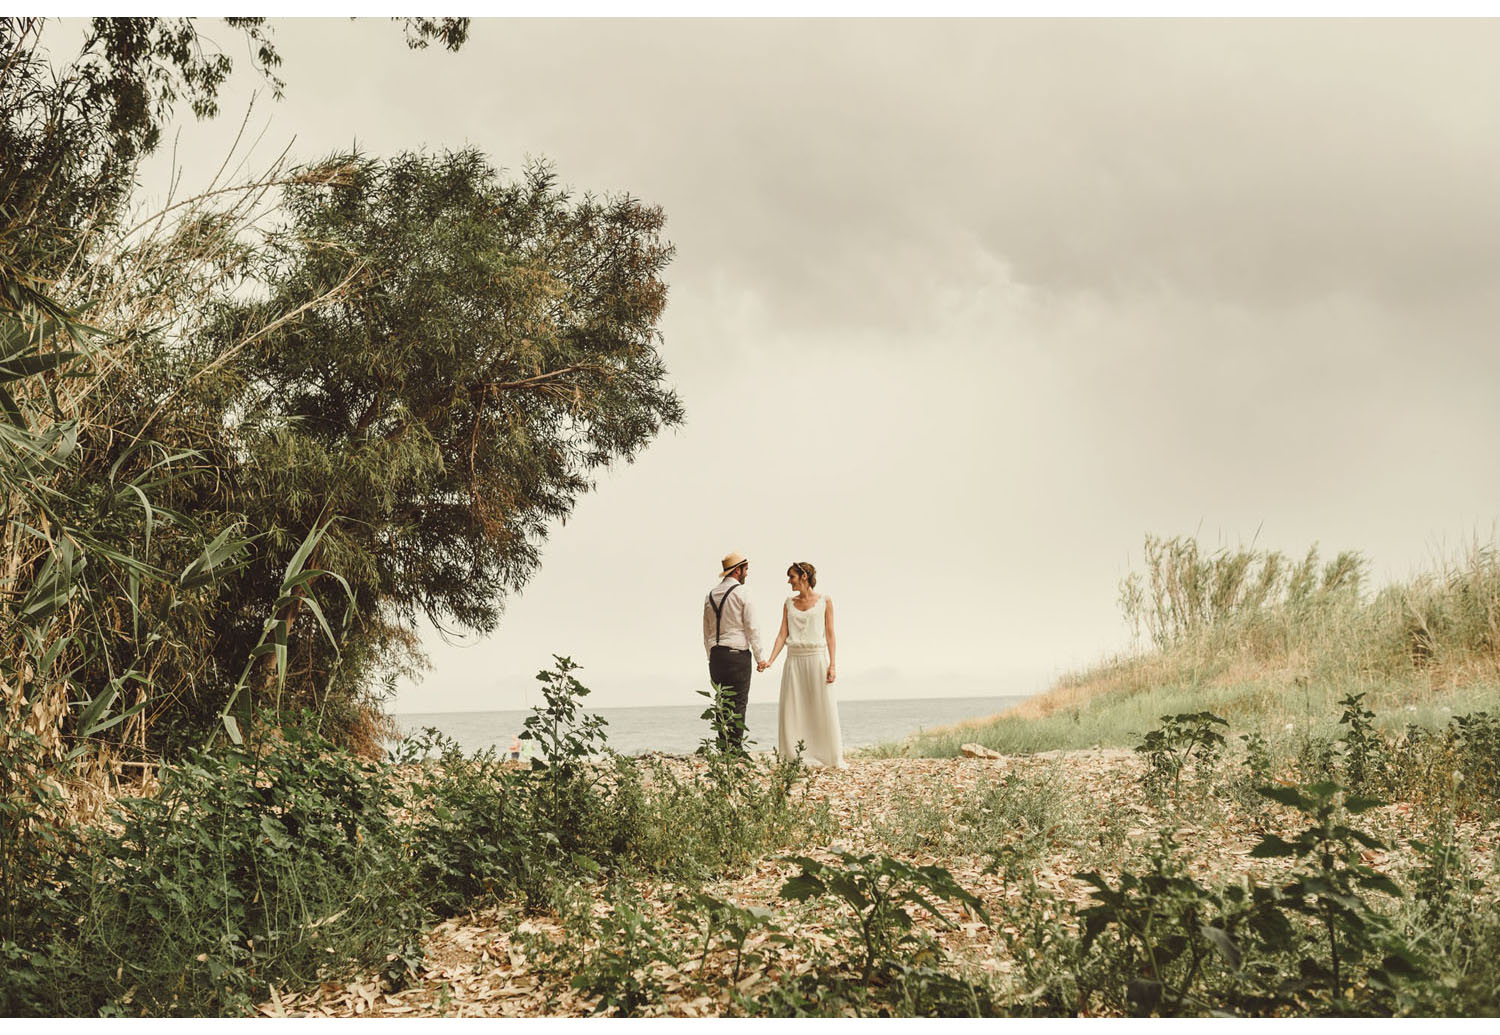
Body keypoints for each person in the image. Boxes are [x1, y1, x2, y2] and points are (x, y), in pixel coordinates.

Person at [762, 561, 844, 768]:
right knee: (794, 706)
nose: (789, 581)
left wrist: (832, 665)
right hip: (794, 660)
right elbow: (782, 634)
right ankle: (795, 756)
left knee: (820, 705)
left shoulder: (825, 600)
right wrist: (770, 660)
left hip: (817, 657)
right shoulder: (788, 603)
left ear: (804, 577)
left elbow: (831, 634)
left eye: (792, 576)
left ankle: (827, 754)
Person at [703, 551, 765, 753]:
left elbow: (706, 631)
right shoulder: (743, 593)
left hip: (717, 656)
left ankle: (724, 748)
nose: (746, 574)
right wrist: (760, 657)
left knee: (721, 702)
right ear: (738, 570)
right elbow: (752, 627)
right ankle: (735, 750)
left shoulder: (710, 595)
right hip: (738, 655)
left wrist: (710, 655)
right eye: (745, 570)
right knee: (738, 702)